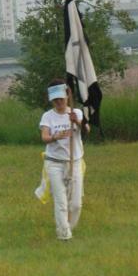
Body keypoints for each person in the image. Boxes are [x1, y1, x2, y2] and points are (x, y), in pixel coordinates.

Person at [39, 79, 89, 241]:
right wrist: (55, 137)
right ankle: (64, 235)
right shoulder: (48, 116)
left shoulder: (77, 113)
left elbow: (87, 131)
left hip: (74, 162)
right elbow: (44, 137)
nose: (58, 102)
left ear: (67, 96)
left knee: (75, 204)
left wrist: (77, 122)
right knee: (61, 201)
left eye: (61, 98)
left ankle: (68, 226)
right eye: (55, 100)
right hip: (54, 163)